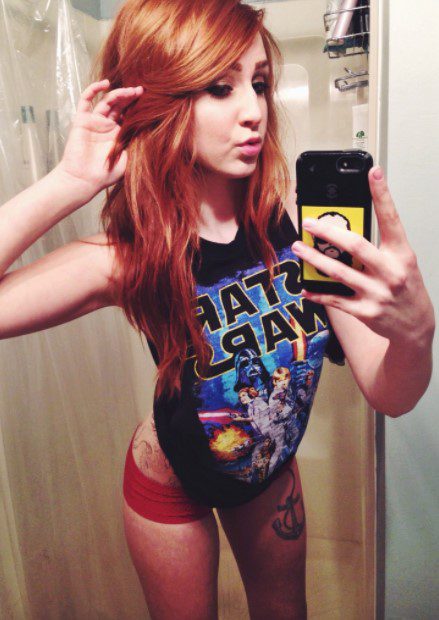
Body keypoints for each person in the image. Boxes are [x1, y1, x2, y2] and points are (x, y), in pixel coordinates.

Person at [0, 0, 434, 618]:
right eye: (220, 87)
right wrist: (68, 182)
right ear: (164, 99)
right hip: (169, 483)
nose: (254, 110)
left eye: (259, 83)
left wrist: (417, 333)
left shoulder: (301, 229)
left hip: (267, 473)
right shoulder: (131, 255)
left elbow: (391, 393)